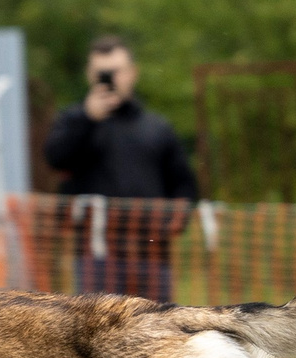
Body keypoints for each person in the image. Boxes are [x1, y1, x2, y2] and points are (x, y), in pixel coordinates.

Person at [41, 36, 200, 301]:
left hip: (151, 253)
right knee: (98, 323)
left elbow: (183, 183)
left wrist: (173, 222)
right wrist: (87, 119)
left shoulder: (157, 127)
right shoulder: (73, 121)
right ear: (89, 74)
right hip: (96, 253)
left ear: (132, 73)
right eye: (101, 73)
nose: (109, 79)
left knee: (156, 322)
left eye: (115, 72)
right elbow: (56, 158)